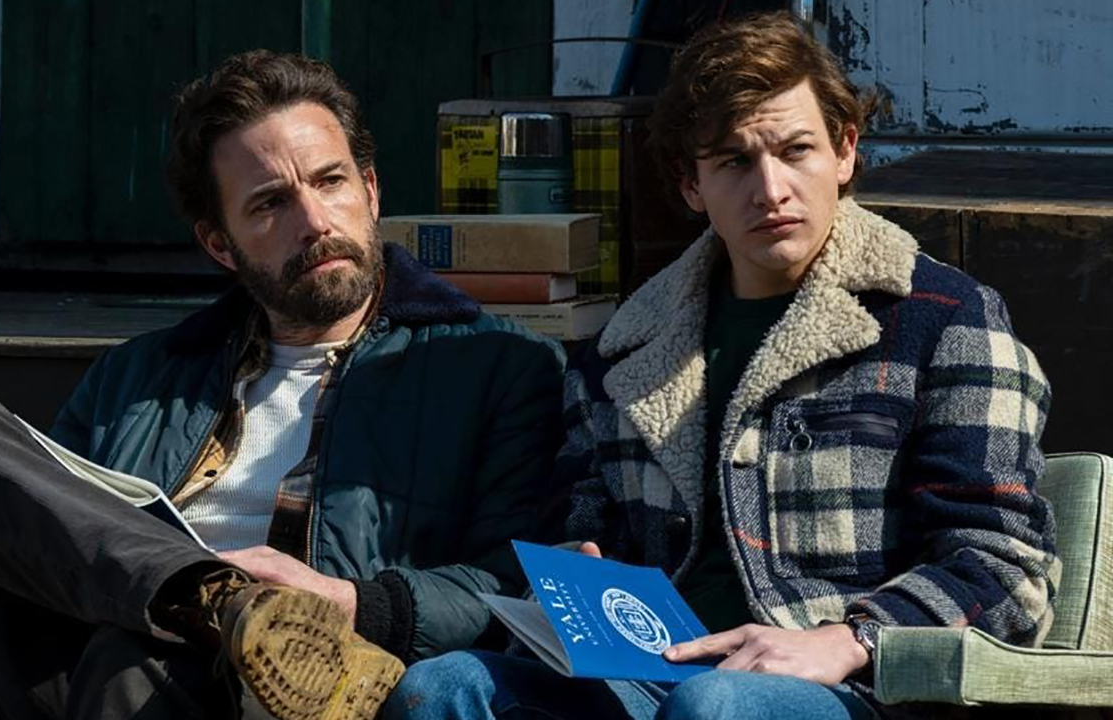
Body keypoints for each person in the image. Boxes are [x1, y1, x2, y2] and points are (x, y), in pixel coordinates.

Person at [383, 11, 1058, 720]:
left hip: (853, 689)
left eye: (796, 150)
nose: (770, 190)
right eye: (735, 162)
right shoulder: (623, 351)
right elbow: (575, 521)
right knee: (445, 687)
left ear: (845, 151)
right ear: (690, 185)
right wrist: (572, 572)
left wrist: (856, 637)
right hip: (648, 673)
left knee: (714, 707)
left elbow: (1005, 568)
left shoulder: (946, 319)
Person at [0, 50, 564, 720]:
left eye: (330, 182)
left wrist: (347, 602)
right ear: (218, 243)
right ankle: (208, 596)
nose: (315, 223)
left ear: (371, 188)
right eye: (269, 204)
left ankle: (209, 612)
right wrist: (197, 600)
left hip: (289, 688)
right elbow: (48, 539)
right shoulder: (137, 376)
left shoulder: (496, 366)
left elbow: (513, 585)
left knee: (130, 666)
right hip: (83, 654)